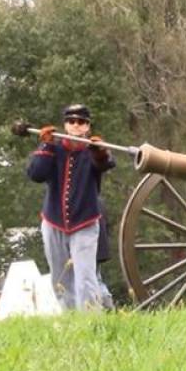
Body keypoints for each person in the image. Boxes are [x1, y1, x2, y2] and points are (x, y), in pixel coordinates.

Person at [27, 104, 116, 310]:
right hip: (53, 222)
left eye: (81, 122)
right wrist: (46, 146)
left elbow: (106, 164)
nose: (76, 125)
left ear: (88, 126)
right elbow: (36, 174)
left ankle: (91, 322)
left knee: (86, 278)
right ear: (65, 125)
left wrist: (100, 151)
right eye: (72, 121)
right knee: (60, 278)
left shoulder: (93, 151)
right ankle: (70, 320)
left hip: (85, 223)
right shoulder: (54, 149)